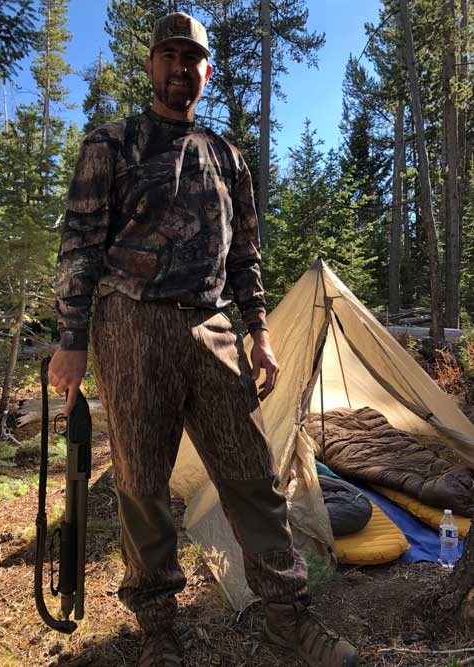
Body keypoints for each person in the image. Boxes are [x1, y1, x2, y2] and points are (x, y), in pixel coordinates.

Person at [49, 12, 358, 667]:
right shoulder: (112, 142)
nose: (179, 68)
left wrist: (262, 334)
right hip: (131, 325)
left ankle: (288, 623)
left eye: (192, 58)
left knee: (253, 477)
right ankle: (162, 633)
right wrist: (71, 337)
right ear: (151, 65)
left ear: (206, 72)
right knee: (142, 486)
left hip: (217, 330)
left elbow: (244, 255)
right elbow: (79, 244)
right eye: (168, 55)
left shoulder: (227, 156)